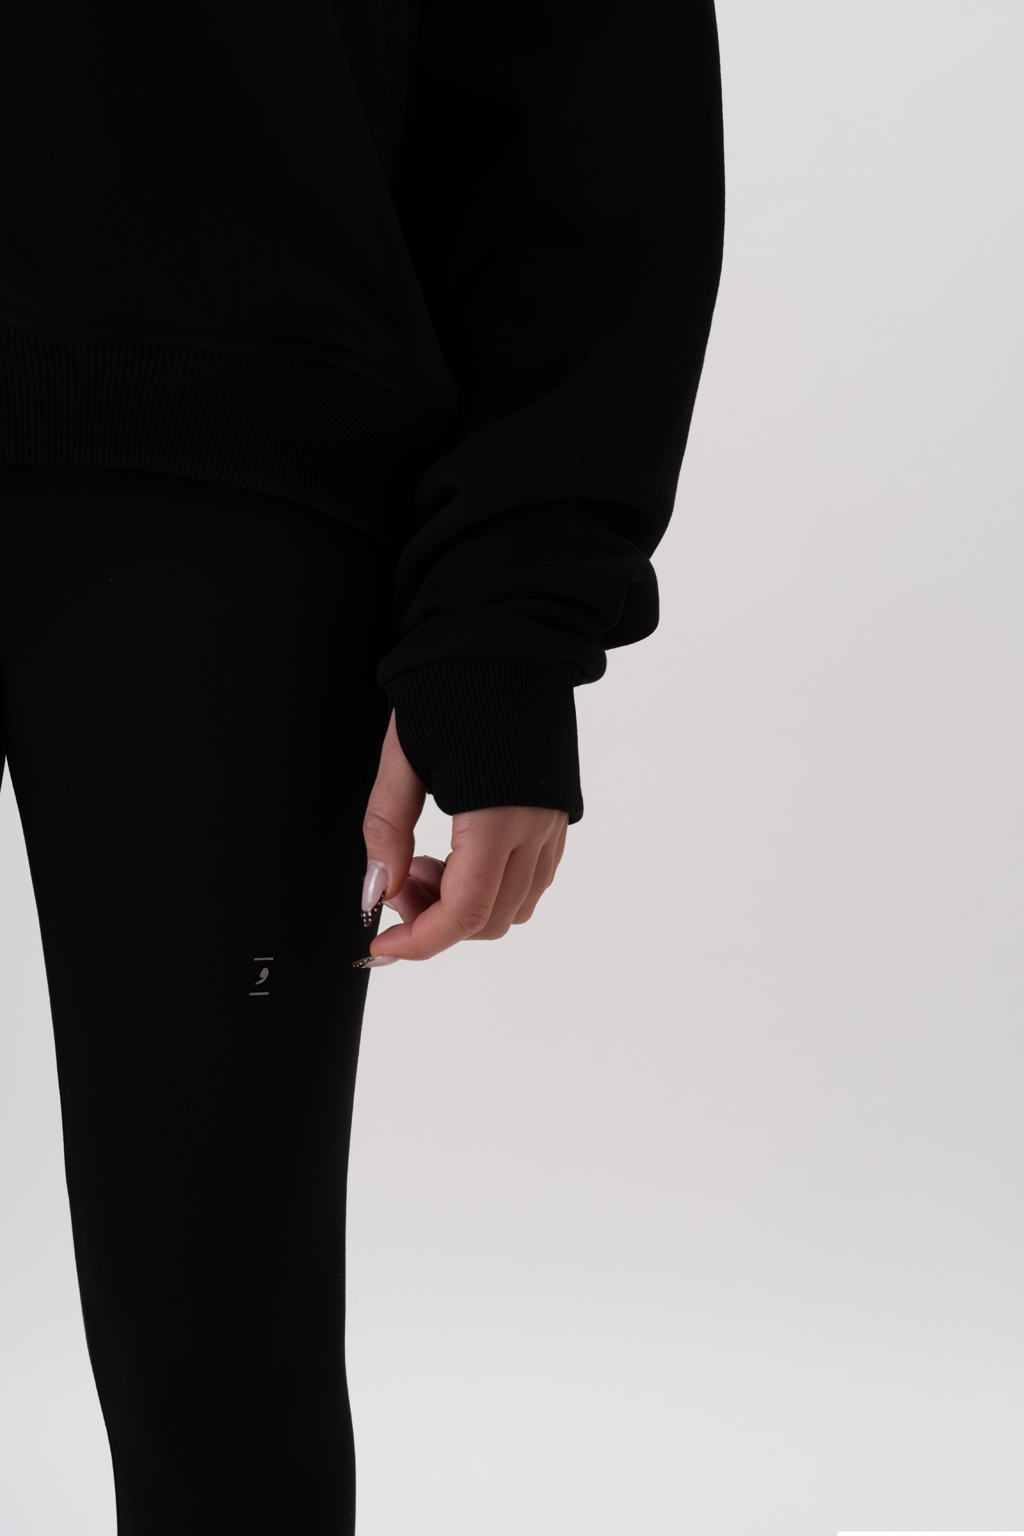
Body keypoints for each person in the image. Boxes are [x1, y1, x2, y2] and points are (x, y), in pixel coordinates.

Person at [0, 1, 725, 1530]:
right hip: (241, 471)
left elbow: (600, 83)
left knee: (214, 1368)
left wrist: (508, 617)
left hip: (233, 484)